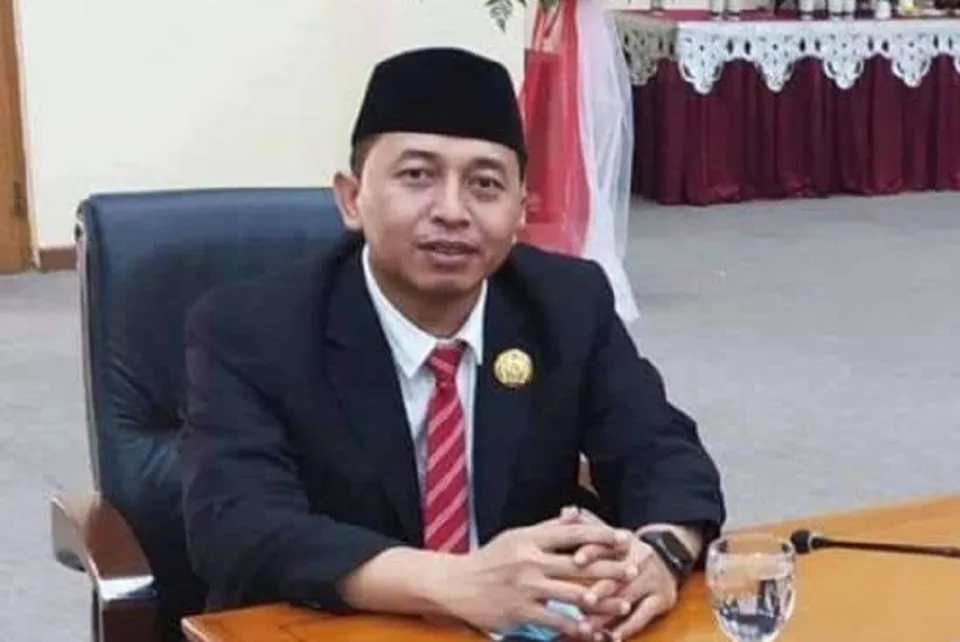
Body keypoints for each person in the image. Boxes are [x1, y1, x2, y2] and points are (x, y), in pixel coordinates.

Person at [181, 47, 725, 641]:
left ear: (520, 211)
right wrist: (454, 581)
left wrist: (660, 553)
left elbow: (662, 451)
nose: (452, 211)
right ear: (351, 199)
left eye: (485, 185)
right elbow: (238, 527)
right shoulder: (250, 328)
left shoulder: (568, 303)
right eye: (417, 176)